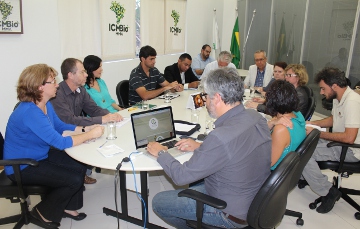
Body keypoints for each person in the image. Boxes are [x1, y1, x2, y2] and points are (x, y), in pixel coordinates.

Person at [148, 68, 272, 228]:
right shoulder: (255, 117)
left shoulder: (219, 138)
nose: (205, 101)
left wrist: (161, 152)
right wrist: (201, 146)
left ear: (218, 98)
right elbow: (235, 148)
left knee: (159, 202)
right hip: (256, 199)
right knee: (195, 182)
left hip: (230, 212)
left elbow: (180, 177)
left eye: (206, 96)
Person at [3, 64, 105, 228]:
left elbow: (59, 126)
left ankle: (69, 207)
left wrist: (85, 129)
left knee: (78, 164)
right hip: (21, 166)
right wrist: (89, 135)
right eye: (53, 81)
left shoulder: (44, 103)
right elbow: (59, 142)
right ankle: (42, 212)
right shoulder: (30, 112)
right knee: (72, 180)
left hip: (39, 156)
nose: (57, 84)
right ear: (39, 87)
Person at [51, 58, 122, 183]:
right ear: (70, 75)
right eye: (82, 72)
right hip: (62, 134)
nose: (86, 75)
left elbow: (93, 109)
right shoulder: (58, 94)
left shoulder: (81, 90)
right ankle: (79, 174)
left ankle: (81, 173)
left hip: (75, 129)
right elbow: (69, 120)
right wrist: (102, 119)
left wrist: (110, 115)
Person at [303, 67, 360, 214]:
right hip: (344, 144)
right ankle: (306, 175)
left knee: (304, 154)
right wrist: (315, 124)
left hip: (353, 150)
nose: (321, 92)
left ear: (334, 86)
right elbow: (334, 119)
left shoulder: (353, 101)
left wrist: (318, 134)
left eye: (323, 89)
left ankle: (328, 191)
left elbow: (349, 137)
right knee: (303, 143)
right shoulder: (339, 97)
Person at [265, 80, 306, 170]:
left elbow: (267, 164)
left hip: (270, 173)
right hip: (288, 171)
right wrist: (271, 123)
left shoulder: (281, 129)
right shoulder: (298, 115)